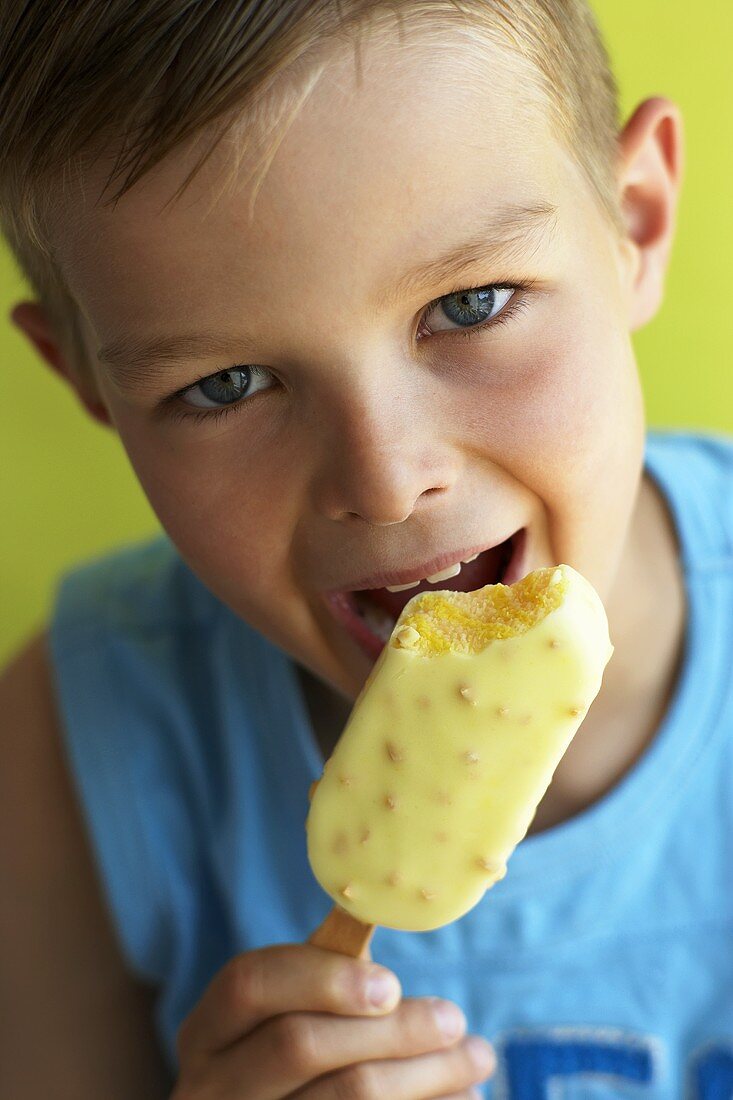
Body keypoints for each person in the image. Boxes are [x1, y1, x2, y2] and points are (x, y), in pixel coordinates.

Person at [2, 1, 728, 1096]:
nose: (384, 479)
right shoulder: (67, 747)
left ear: (633, 222)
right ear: (90, 386)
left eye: (470, 303)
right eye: (225, 383)